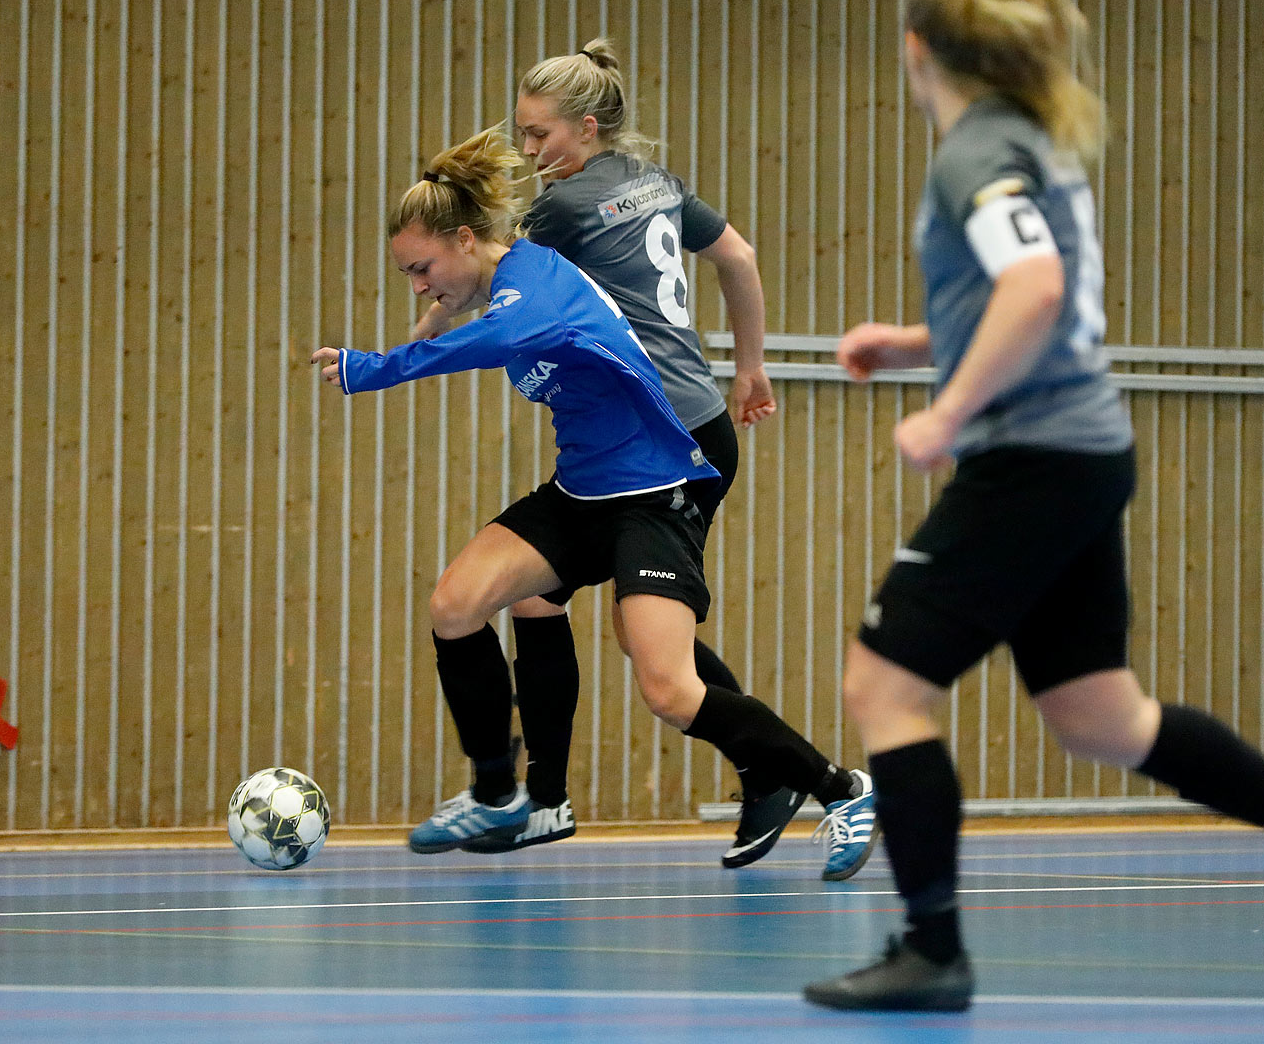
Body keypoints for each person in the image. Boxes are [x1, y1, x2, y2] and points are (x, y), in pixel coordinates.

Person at [801, 0, 1264, 1012]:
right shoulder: (1033, 143)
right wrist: (914, 343)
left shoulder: (975, 151)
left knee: (883, 687)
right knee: (1100, 717)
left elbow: (1036, 290)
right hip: (1083, 452)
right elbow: (1035, 306)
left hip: (1033, 459)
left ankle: (934, 952)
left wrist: (946, 408)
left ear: (918, 49)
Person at [313, 127, 878, 882]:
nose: (418, 286)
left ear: (465, 240)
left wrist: (374, 369)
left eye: (422, 269)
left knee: (670, 689)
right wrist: (435, 315)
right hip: (581, 492)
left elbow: (502, 335)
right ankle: (498, 792)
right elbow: (479, 323)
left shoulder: (534, 284)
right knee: (456, 605)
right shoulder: (498, 281)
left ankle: (841, 790)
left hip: (655, 491)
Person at [410, 40, 803, 870]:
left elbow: (488, 267)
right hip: (671, 422)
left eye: (539, 135)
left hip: (665, 437)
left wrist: (432, 317)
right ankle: (543, 801)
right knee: (535, 599)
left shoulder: (563, 208)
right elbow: (738, 256)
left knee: (648, 647)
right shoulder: (656, 184)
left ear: (587, 128)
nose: (526, 152)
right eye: (519, 133)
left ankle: (780, 771)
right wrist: (752, 365)